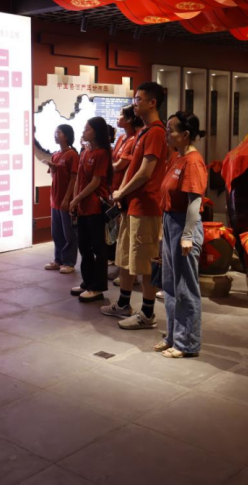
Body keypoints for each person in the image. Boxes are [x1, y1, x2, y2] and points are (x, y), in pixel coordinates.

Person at [103, 81, 167, 329]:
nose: (134, 103)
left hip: (146, 206)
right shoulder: (143, 132)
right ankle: (123, 303)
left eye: (139, 99)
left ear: (152, 103)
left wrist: (121, 191)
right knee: (126, 257)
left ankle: (147, 314)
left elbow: (145, 172)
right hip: (132, 205)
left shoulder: (156, 132)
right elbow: (132, 169)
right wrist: (121, 193)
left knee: (146, 261)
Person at [156, 111, 208, 358]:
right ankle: (173, 336)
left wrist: (188, 235)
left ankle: (186, 343)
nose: (167, 134)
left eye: (171, 130)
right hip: (170, 223)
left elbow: (194, 201)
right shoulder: (177, 157)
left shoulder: (193, 161)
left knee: (185, 287)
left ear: (185, 134)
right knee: (169, 285)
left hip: (184, 225)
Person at [69, 116, 113, 302]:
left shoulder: (102, 153)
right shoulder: (85, 152)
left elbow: (95, 182)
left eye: (87, 129)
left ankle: (98, 287)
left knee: (98, 248)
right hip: (82, 207)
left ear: (95, 132)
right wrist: (75, 200)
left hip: (95, 207)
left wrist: (76, 199)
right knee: (84, 247)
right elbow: (79, 179)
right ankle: (87, 282)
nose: (83, 131)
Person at [110, 105, 143, 280]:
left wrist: (105, 164)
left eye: (121, 114)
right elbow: (114, 163)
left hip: (126, 191)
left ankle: (130, 274)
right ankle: (122, 269)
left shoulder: (134, 139)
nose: (118, 117)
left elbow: (119, 166)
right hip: (116, 189)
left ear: (129, 119)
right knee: (119, 232)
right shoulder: (122, 138)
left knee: (128, 234)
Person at [45, 125, 79, 274]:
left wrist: (67, 199)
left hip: (66, 200)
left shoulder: (72, 155)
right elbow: (54, 176)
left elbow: (74, 178)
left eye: (58, 132)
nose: (55, 135)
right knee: (56, 232)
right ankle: (58, 260)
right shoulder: (55, 154)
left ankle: (69, 262)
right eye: (55, 132)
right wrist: (53, 168)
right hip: (55, 200)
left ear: (66, 136)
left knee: (69, 233)